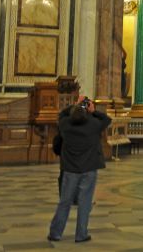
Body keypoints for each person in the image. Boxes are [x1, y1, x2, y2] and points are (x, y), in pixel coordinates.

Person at [48, 97, 112, 244]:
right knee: (85, 203)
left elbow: (61, 115)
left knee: (65, 202)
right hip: (89, 169)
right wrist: (94, 111)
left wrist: (75, 104)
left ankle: (55, 233)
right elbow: (107, 119)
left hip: (70, 169)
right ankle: (81, 234)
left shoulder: (65, 125)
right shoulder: (94, 124)